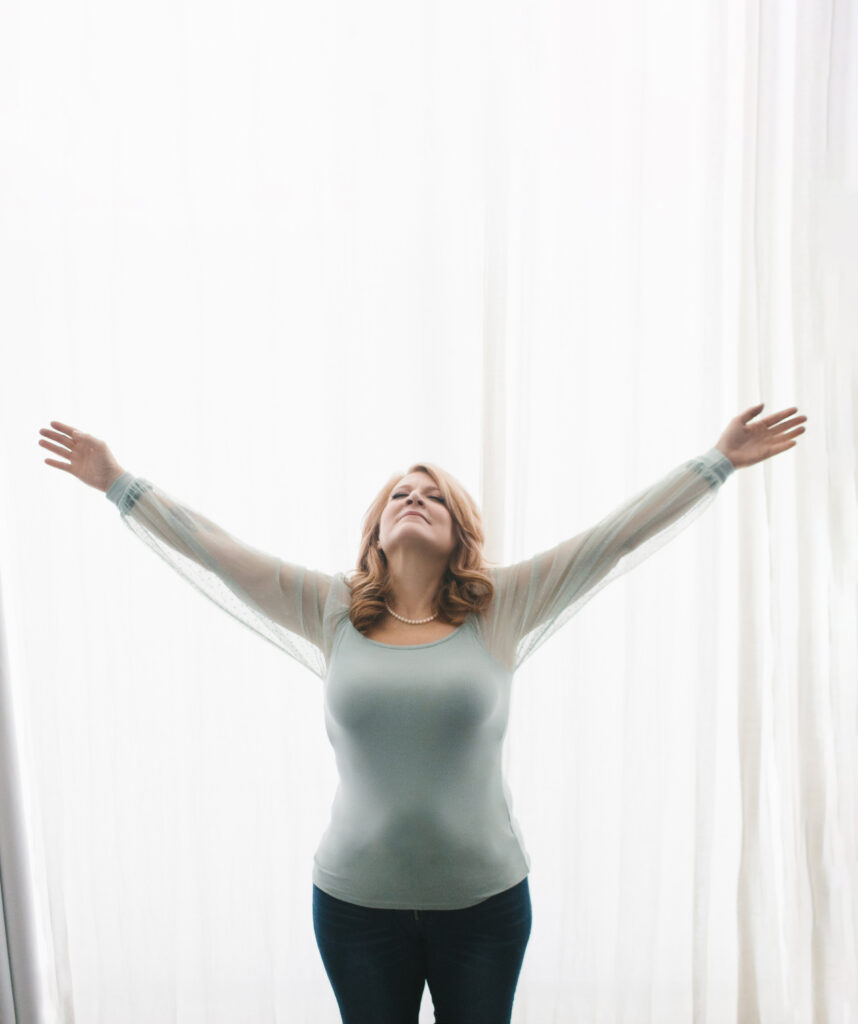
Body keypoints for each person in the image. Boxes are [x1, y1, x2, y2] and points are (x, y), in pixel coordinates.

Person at [38, 404, 807, 1024]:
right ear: (376, 529)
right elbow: (214, 547)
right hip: (354, 907)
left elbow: (611, 539)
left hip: (485, 907)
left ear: (460, 532)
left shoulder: (501, 607)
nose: (416, 498)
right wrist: (117, 482)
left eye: (435, 494)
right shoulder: (330, 607)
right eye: (401, 493)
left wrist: (717, 462)